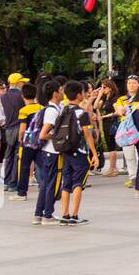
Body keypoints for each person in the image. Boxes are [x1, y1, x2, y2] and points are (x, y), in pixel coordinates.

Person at [57, 80, 100, 226]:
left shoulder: (63, 109)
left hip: (65, 150)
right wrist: (94, 153)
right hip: (80, 152)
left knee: (66, 184)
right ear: (79, 94)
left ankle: (64, 214)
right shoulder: (81, 113)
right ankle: (75, 215)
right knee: (78, 184)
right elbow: (87, 134)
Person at [32, 79, 65, 225]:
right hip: (53, 152)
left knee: (46, 183)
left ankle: (39, 214)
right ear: (55, 93)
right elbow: (43, 134)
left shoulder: (53, 108)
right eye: (61, 90)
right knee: (52, 184)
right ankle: (48, 215)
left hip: (47, 152)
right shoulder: (52, 111)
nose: (63, 92)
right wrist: (58, 136)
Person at [9, 83, 42, 202]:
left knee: (24, 167)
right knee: (41, 165)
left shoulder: (23, 110)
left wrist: (20, 139)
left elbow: (22, 128)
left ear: (23, 96)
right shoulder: (41, 107)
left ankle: (22, 192)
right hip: (39, 140)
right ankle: (44, 187)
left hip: (27, 142)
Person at [0, 74, 28, 191]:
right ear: (17, 83)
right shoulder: (22, 95)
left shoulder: (3, 96)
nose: (23, 84)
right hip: (20, 127)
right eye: (22, 82)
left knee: (9, 155)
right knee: (18, 155)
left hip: (8, 129)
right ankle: (13, 182)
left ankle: (6, 182)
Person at [96, 78, 120, 176]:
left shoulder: (114, 99)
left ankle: (112, 168)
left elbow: (117, 111)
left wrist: (106, 116)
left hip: (110, 123)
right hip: (104, 123)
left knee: (111, 145)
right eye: (101, 87)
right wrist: (99, 95)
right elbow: (95, 106)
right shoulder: (105, 98)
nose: (102, 89)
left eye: (104, 87)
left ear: (110, 88)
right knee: (109, 144)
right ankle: (113, 168)